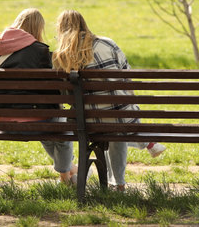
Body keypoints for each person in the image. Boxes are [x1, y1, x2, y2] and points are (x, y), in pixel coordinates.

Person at [52, 10, 166, 191]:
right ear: (84, 24)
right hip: (121, 116)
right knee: (117, 123)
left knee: (112, 125)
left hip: (84, 122)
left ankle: (143, 147)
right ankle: (121, 181)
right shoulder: (107, 44)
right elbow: (126, 77)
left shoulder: (60, 57)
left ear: (60, 30)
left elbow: (63, 94)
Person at [0, 8, 78, 184]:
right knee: (61, 127)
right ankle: (68, 175)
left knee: (52, 126)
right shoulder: (40, 51)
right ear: (37, 28)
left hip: (1, 120)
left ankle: (69, 172)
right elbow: (53, 94)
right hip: (35, 122)